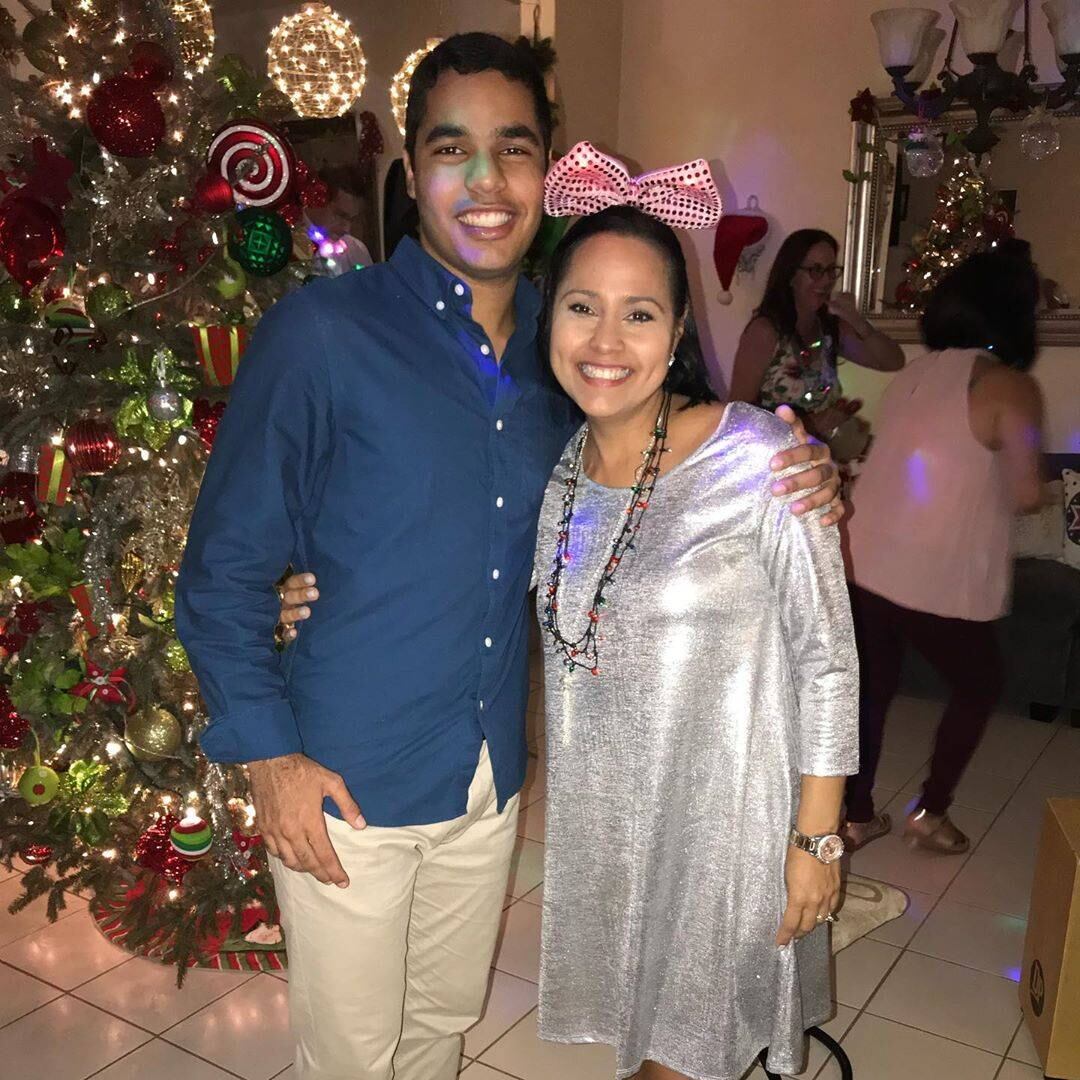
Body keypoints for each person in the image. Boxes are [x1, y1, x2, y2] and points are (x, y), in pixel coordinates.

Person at [178, 34, 842, 1080]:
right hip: (346, 782)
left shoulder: (565, 349)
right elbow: (221, 571)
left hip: (486, 781)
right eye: (453, 149)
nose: (485, 180)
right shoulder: (322, 336)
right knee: (350, 1061)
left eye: (515, 149)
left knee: (440, 1030)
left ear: (546, 171)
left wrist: (799, 468)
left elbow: (657, 470)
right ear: (412, 169)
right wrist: (269, 758)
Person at [841, 239, 1046, 855]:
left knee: (872, 690)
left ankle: (855, 815)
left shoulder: (916, 372)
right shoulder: (1010, 386)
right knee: (980, 684)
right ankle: (930, 812)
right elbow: (1026, 492)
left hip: (865, 555)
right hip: (932, 569)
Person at [730, 229, 904, 461]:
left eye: (831, 270)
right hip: (777, 465)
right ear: (790, 275)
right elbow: (737, 415)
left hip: (823, 463)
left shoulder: (829, 328)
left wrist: (856, 319)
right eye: (815, 270)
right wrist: (811, 424)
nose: (826, 280)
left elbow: (893, 361)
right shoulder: (766, 331)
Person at [303, 164, 374, 275]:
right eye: (340, 215)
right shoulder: (287, 240)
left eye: (352, 219)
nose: (347, 228)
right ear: (317, 200)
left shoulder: (356, 250)